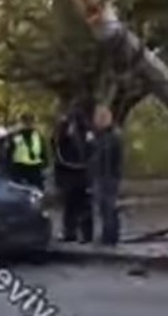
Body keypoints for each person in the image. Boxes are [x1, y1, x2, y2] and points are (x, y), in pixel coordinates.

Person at [52, 102, 93, 243]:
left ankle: (76, 233)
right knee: (79, 205)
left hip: (74, 174)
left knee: (75, 206)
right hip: (78, 173)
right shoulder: (84, 130)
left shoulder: (79, 130)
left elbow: (57, 148)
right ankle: (80, 234)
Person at [88, 104, 123, 246]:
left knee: (108, 206)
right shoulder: (104, 136)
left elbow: (105, 156)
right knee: (105, 207)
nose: (96, 121)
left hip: (107, 177)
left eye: (99, 118)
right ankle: (108, 234)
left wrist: (93, 143)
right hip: (104, 175)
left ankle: (110, 236)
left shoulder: (110, 136)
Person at [7, 113, 48, 189]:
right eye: (26, 122)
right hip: (19, 168)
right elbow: (9, 152)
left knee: (38, 192)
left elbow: (43, 150)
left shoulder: (38, 135)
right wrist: (9, 169)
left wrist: (45, 164)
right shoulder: (16, 135)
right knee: (19, 192)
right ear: (22, 123)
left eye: (31, 122)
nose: (28, 124)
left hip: (35, 168)